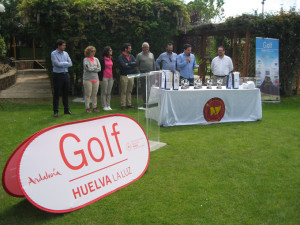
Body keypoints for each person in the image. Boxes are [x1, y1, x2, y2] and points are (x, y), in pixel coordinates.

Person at [51, 39, 73, 117]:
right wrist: (65, 63)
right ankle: (55, 111)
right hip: (58, 75)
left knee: (66, 93)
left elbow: (70, 63)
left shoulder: (66, 54)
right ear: (59, 46)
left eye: (65, 45)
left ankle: (66, 110)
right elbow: (57, 64)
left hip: (65, 75)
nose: (64, 46)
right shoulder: (53, 53)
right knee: (57, 93)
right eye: (63, 45)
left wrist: (62, 63)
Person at [136, 42, 156, 107]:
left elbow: (154, 64)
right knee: (144, 89)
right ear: (142, 48)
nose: (146, 48)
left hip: (151, 74)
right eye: (144, 47)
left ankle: (150, 102)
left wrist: (154, 73)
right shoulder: (139, 55)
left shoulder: (151, 54)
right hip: (143, 74)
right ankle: (145, 103)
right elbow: (136, 65)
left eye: (147, 47)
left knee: (150, 89)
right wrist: (139, 73)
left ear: (149, 48)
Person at [118, 43, 137, 110]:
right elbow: (123, 66)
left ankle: (129, 104)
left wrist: (128, 64)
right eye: (129, 48)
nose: (131, 49)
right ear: (126, 49)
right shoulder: (121, 57)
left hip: (131, 75)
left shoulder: (131, 56)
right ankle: (123, 104)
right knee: (124, 91)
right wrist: (131, 65)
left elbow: (135, 63)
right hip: (124, 76)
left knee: (129, 90)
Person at [82, 46, 101, 113]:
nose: (93, 52)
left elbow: (99, 68)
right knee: (88, 94)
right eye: (92, 51)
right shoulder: (85, 60)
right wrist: (95, 68)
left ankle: (94, 107)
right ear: (88, 52)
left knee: (94, 94)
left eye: (94, 51)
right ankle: (87, 107)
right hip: (87, 79)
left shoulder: (96, 59)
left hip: (96, 79)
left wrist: (93, 68)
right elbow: (88, 69)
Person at [100, 46, 114, 111]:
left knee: (109, 92)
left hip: (110, 77)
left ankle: (108, 105)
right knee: (104, 92)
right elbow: (100, 69)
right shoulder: (102, 59)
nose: (111, 51)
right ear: (107, 51)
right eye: (110, 50)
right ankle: (104, 105)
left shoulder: (111, 58)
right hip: (104, 77)